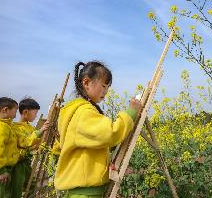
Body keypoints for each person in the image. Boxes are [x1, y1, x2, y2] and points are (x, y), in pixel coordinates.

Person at [54, 61, 142, 197]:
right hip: (85, 193)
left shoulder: (76, 111)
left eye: (108, 87)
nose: (106, 92)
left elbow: (91, 146)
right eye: (103, 86)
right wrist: (130, 113)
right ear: (86, 82)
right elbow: (109, 134)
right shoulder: (83, 112)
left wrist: (104, 162)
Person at [11, 97, 50, 198]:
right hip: (17, 165)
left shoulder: (31, 127)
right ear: (25, 112)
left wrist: (42, 142)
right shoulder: (16, 127)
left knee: (32, 185)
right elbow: (26, 142)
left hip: (26, 164)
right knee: (16, 189)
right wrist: (39, 131)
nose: (36, 116)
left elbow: (34, 143)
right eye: (35, 113)